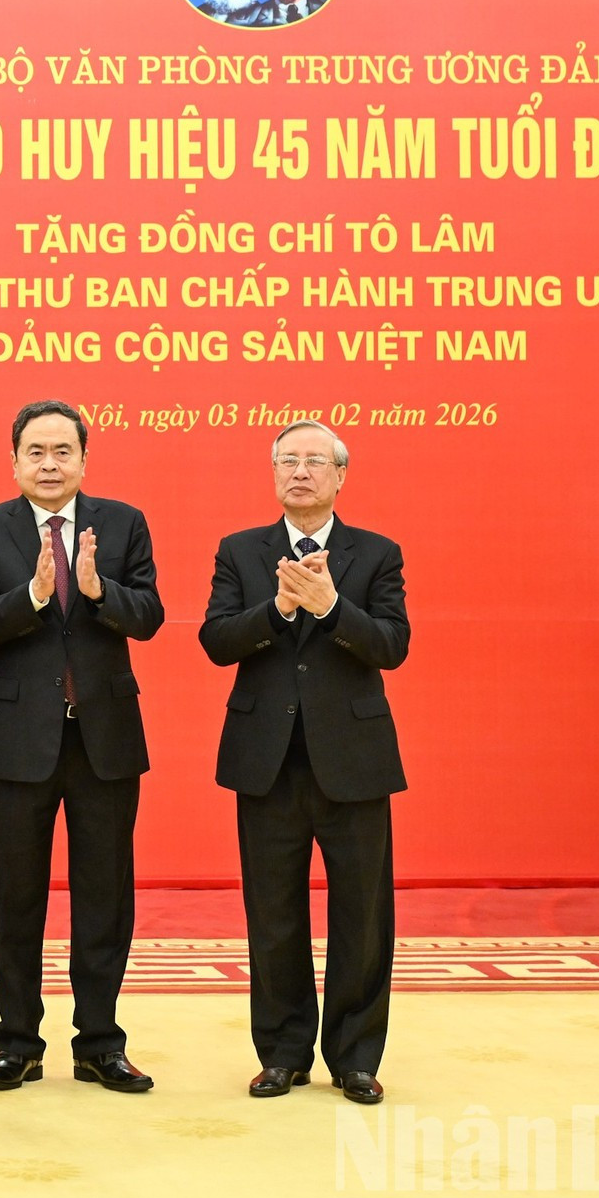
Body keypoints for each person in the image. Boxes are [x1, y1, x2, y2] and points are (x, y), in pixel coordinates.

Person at [199, 420, 408, 1105]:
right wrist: (279, 606)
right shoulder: (242, 550)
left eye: (316, 461)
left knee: (362, 915)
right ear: (274, 472)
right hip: (268, 764)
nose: (301, 471)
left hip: (353, 763)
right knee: (274, 913)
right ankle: (283, 1051)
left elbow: (391, 645)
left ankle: (355, 1057)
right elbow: (217, 640)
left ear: (341, 475)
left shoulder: (376, 553)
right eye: (289, 459)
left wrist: (334, 607)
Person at [0, 400, 163, 1094]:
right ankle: (16, 1042)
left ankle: (100, 1042)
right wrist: (33, 593)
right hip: (19, 743)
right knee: (18, 897)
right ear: (13, 459)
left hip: (104, 739)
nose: (49, 463)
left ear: (83, 458)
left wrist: (99, 589)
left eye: (62, 451)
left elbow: (151, 616)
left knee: (105, 896)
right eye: (36, 451)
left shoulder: (124, 523)